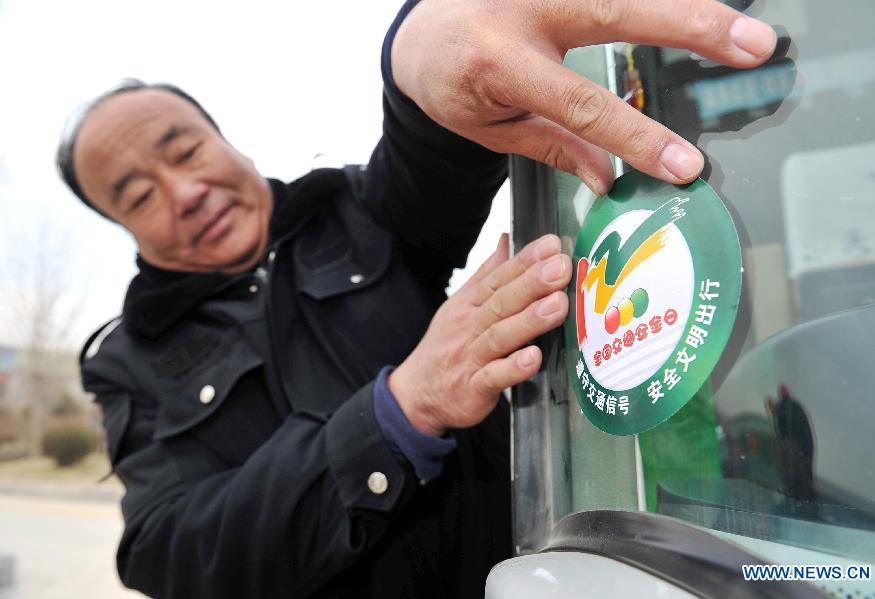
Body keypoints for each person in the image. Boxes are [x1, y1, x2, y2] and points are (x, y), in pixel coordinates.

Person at [59, 0, 776, 597]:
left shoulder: (353, 214)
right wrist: (398, 411)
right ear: (120, 226)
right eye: (138, 194)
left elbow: (429, 139)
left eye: (184, 151)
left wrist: (417, 44)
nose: (184, 194)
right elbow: (167, 550)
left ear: (226, 141)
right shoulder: (130, 359)